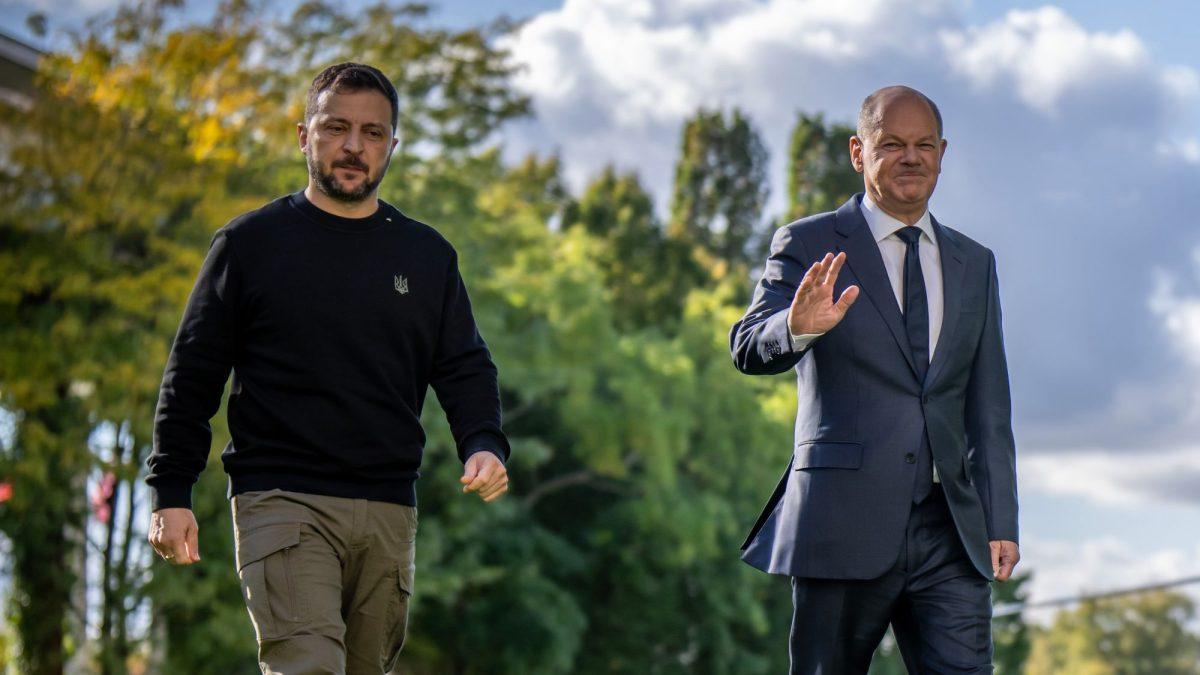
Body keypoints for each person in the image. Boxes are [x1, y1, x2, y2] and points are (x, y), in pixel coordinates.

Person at [145, 62, 510, 673]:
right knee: (308, 666)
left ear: (391, 146)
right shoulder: (249, 245)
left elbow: (465, 365)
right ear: (303, 135)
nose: (353, 146)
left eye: (372, 133)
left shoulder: (426, 256)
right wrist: (170, 490)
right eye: (336, 127)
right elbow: (192, 374)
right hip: (281, 499)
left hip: (388, 508)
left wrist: (483, 442)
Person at [730, 85, 1019, 674]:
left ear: (943, 152)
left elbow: (988, 404)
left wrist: (999, 518)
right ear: (859, 153)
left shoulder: (975, 262)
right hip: (841, 522)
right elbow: (747, 347)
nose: (911, 157)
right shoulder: (808, 242)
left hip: (950, 530)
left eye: (923, 145)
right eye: (891, 144)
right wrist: (796, 325)